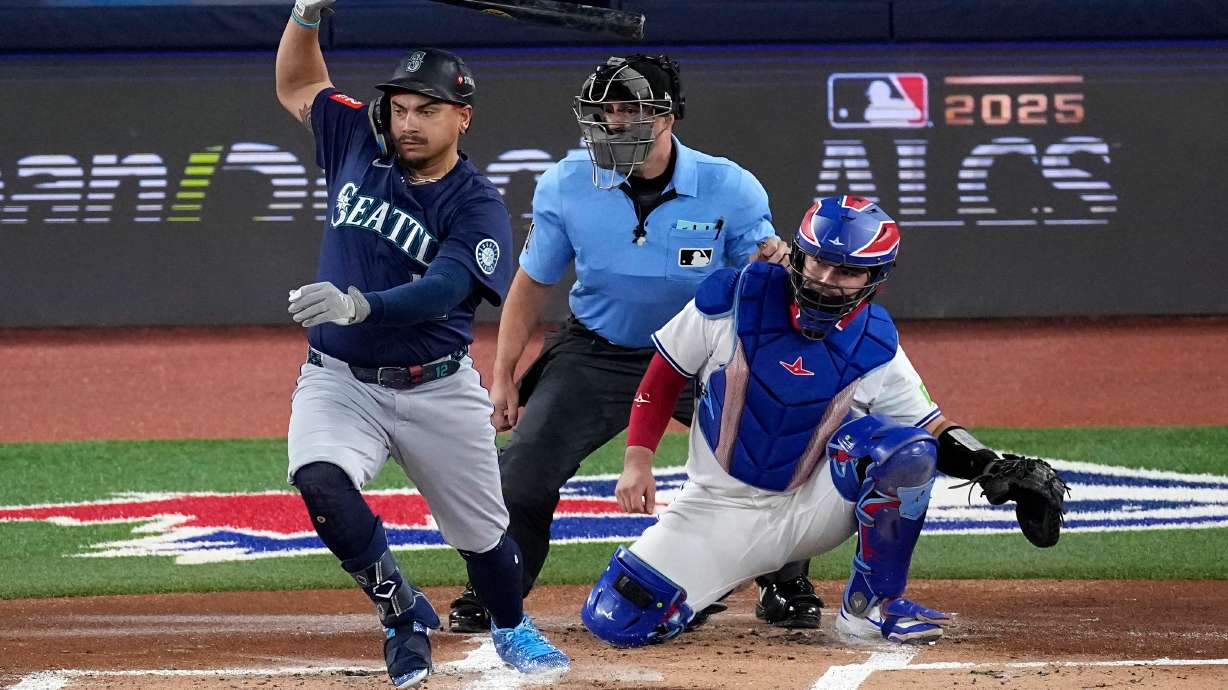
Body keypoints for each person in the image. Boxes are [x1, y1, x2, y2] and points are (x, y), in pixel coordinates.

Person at [581, 195, 1068, 647]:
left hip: (810, 511)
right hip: (716, 508)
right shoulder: (731, 298)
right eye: (818, 262)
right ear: (798, 255)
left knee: (904, 449)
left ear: (874, 277)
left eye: (847, 272)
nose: (826, 279)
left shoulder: (876, 343)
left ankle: (870, 607)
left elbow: (933, 426)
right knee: (617, 620)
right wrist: (637, 458)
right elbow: (664, 373)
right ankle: (714, 581)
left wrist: (990, 465)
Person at [447, 53, 823, 633]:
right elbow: (530, 284)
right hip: (598, 352)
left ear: (668, 118)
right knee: (521, 470)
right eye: (602, 111)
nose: (612, 123)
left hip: (704, 357)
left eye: (629, 110)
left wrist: (777, 264)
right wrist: (502, 374)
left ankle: (786, 581)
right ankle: (497, 589)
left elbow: (766, 271)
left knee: (767, 447)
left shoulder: (730, 187)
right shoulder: (567, 184)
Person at [274, 1, 568, 686]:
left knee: (484, 541)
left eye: (426, 111)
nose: (408, 122)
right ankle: (402, 615)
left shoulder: (476, 203)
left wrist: (360, 302)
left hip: (436, 385)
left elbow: (444, 289)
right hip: (339, 378)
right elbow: (296, 83)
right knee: (319, 481)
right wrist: (307, 11)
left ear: (462, 117)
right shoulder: (354, 138)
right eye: (401, 108)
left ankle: (513, 629)